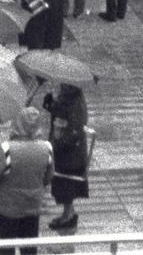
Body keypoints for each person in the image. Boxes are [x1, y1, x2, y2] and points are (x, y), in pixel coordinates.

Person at [0, 106, 54, 255]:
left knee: (5, 249)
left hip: (6, 209)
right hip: (33, 207)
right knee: (29, 249)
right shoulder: (47, 148)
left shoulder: (7, 149)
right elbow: (48, 178)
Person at [46, 82, 91, 232]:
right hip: (64, 150)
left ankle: (69, 216)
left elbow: (74, 130)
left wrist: (58, 144)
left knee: (66, 185)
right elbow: (56, 111)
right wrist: (51, 101)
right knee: (63, 185)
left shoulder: (75, 102)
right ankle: (67, 214)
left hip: (70, 154)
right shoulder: (67, 98)